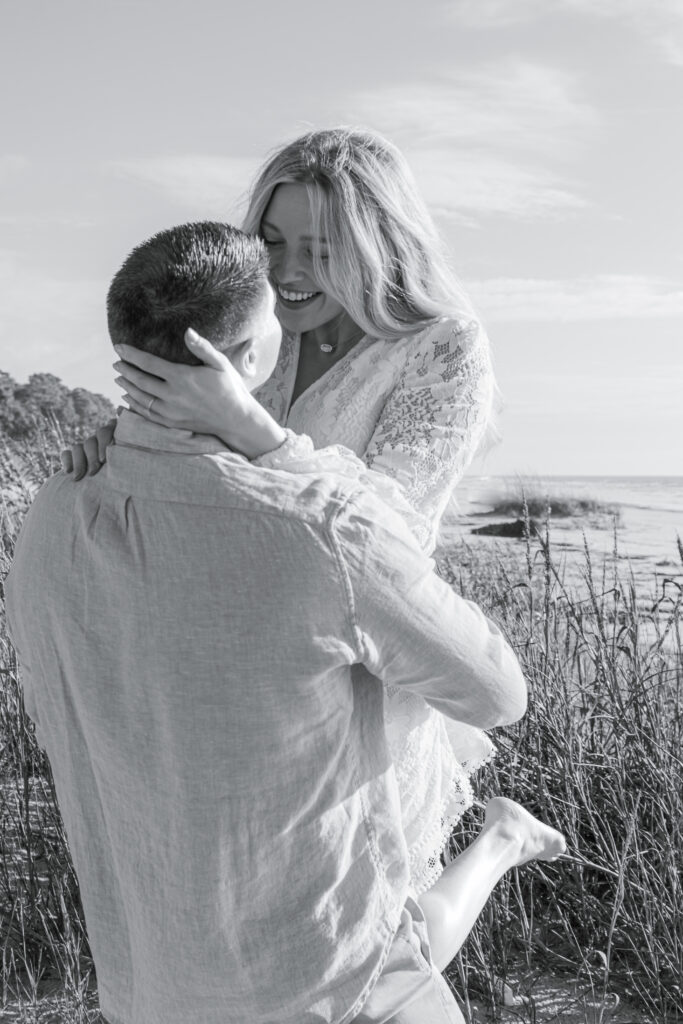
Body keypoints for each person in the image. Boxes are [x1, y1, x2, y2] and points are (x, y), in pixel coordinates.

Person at [7, 222, 565, 1024]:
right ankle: (504, 840)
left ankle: (502, 841)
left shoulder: (53, 512)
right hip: (332, 986)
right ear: (250, 357)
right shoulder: (324, 526)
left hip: (148, 985)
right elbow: (495, 694)